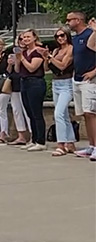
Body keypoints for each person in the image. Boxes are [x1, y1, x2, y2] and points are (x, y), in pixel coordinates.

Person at [67, 13, 96, 159]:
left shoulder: (91, 33)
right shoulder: (76, 37)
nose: (67, 23)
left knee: (91, 113)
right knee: (85, 114)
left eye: (69, 20)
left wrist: (94, 72)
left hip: (89, 80)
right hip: (77, 79)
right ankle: (91, 146)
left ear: (78, 20)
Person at [14, 29, 48, 152]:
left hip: (35, 82)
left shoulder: (38, 51)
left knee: (36, 112)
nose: (25, 39)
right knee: (29, 112)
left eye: (28, 37)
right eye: (23, 38)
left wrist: (22, 58)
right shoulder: (24, 52)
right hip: (24, 82)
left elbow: (32, 68)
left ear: (34, 38)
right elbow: (18, 70)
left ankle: (41, 141)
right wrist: (17, 60)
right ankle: (33, 139)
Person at [45, 27, 76, 156]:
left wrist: (51, 58)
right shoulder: (57, 50)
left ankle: (61, 144)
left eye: (62, 35)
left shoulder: (70, 49)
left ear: (67, 35)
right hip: (56, 82)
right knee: (64, 115)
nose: (60, 38)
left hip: (67, 83)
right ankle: (71, 142)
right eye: (57, 36)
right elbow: (47, 67)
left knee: (58, 114)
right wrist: (47, 58)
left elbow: (63, 65)